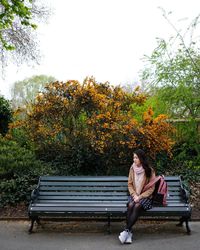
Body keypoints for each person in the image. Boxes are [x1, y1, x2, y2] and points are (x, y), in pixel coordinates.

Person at [118, 149, 156, 244]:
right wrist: (134, 195)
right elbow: (130, 184)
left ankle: (126, 231)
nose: (134, 159)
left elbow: (151, 189)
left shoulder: (149, 170)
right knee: (131, 205)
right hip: (134, 195)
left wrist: (140, 197)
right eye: (133, 157)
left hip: (145, 197)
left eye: (136, 157)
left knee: (137, 206)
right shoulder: (132, 168)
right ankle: (129, 233)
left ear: (141, 159)